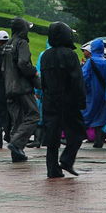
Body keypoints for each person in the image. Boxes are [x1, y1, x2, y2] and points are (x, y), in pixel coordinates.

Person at [39, 21, 84, 178]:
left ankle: (52, 169)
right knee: (77, 133)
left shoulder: (45, 56)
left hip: (50, 100)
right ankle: (67, 159)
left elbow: (43, 81)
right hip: (68, 100)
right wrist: (81, 101)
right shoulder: (70, 55)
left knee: (52, 137)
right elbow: (77, 80)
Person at [4, 19, 40, 163]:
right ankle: (17, 144)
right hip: (22, 87)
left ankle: (17, 154)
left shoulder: (7, 44)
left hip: (9, 87)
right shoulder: (22, 43)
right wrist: (34, 73)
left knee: (17, 120)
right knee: (34, 116)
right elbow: (23, 63)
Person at [82, 40, 106, 148]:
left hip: (92, 93)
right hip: (104, 93)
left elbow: (84, 76)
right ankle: (99, 140)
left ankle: (75, 137)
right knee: (102, 116)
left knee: (87, 114)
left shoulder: (90, 61)